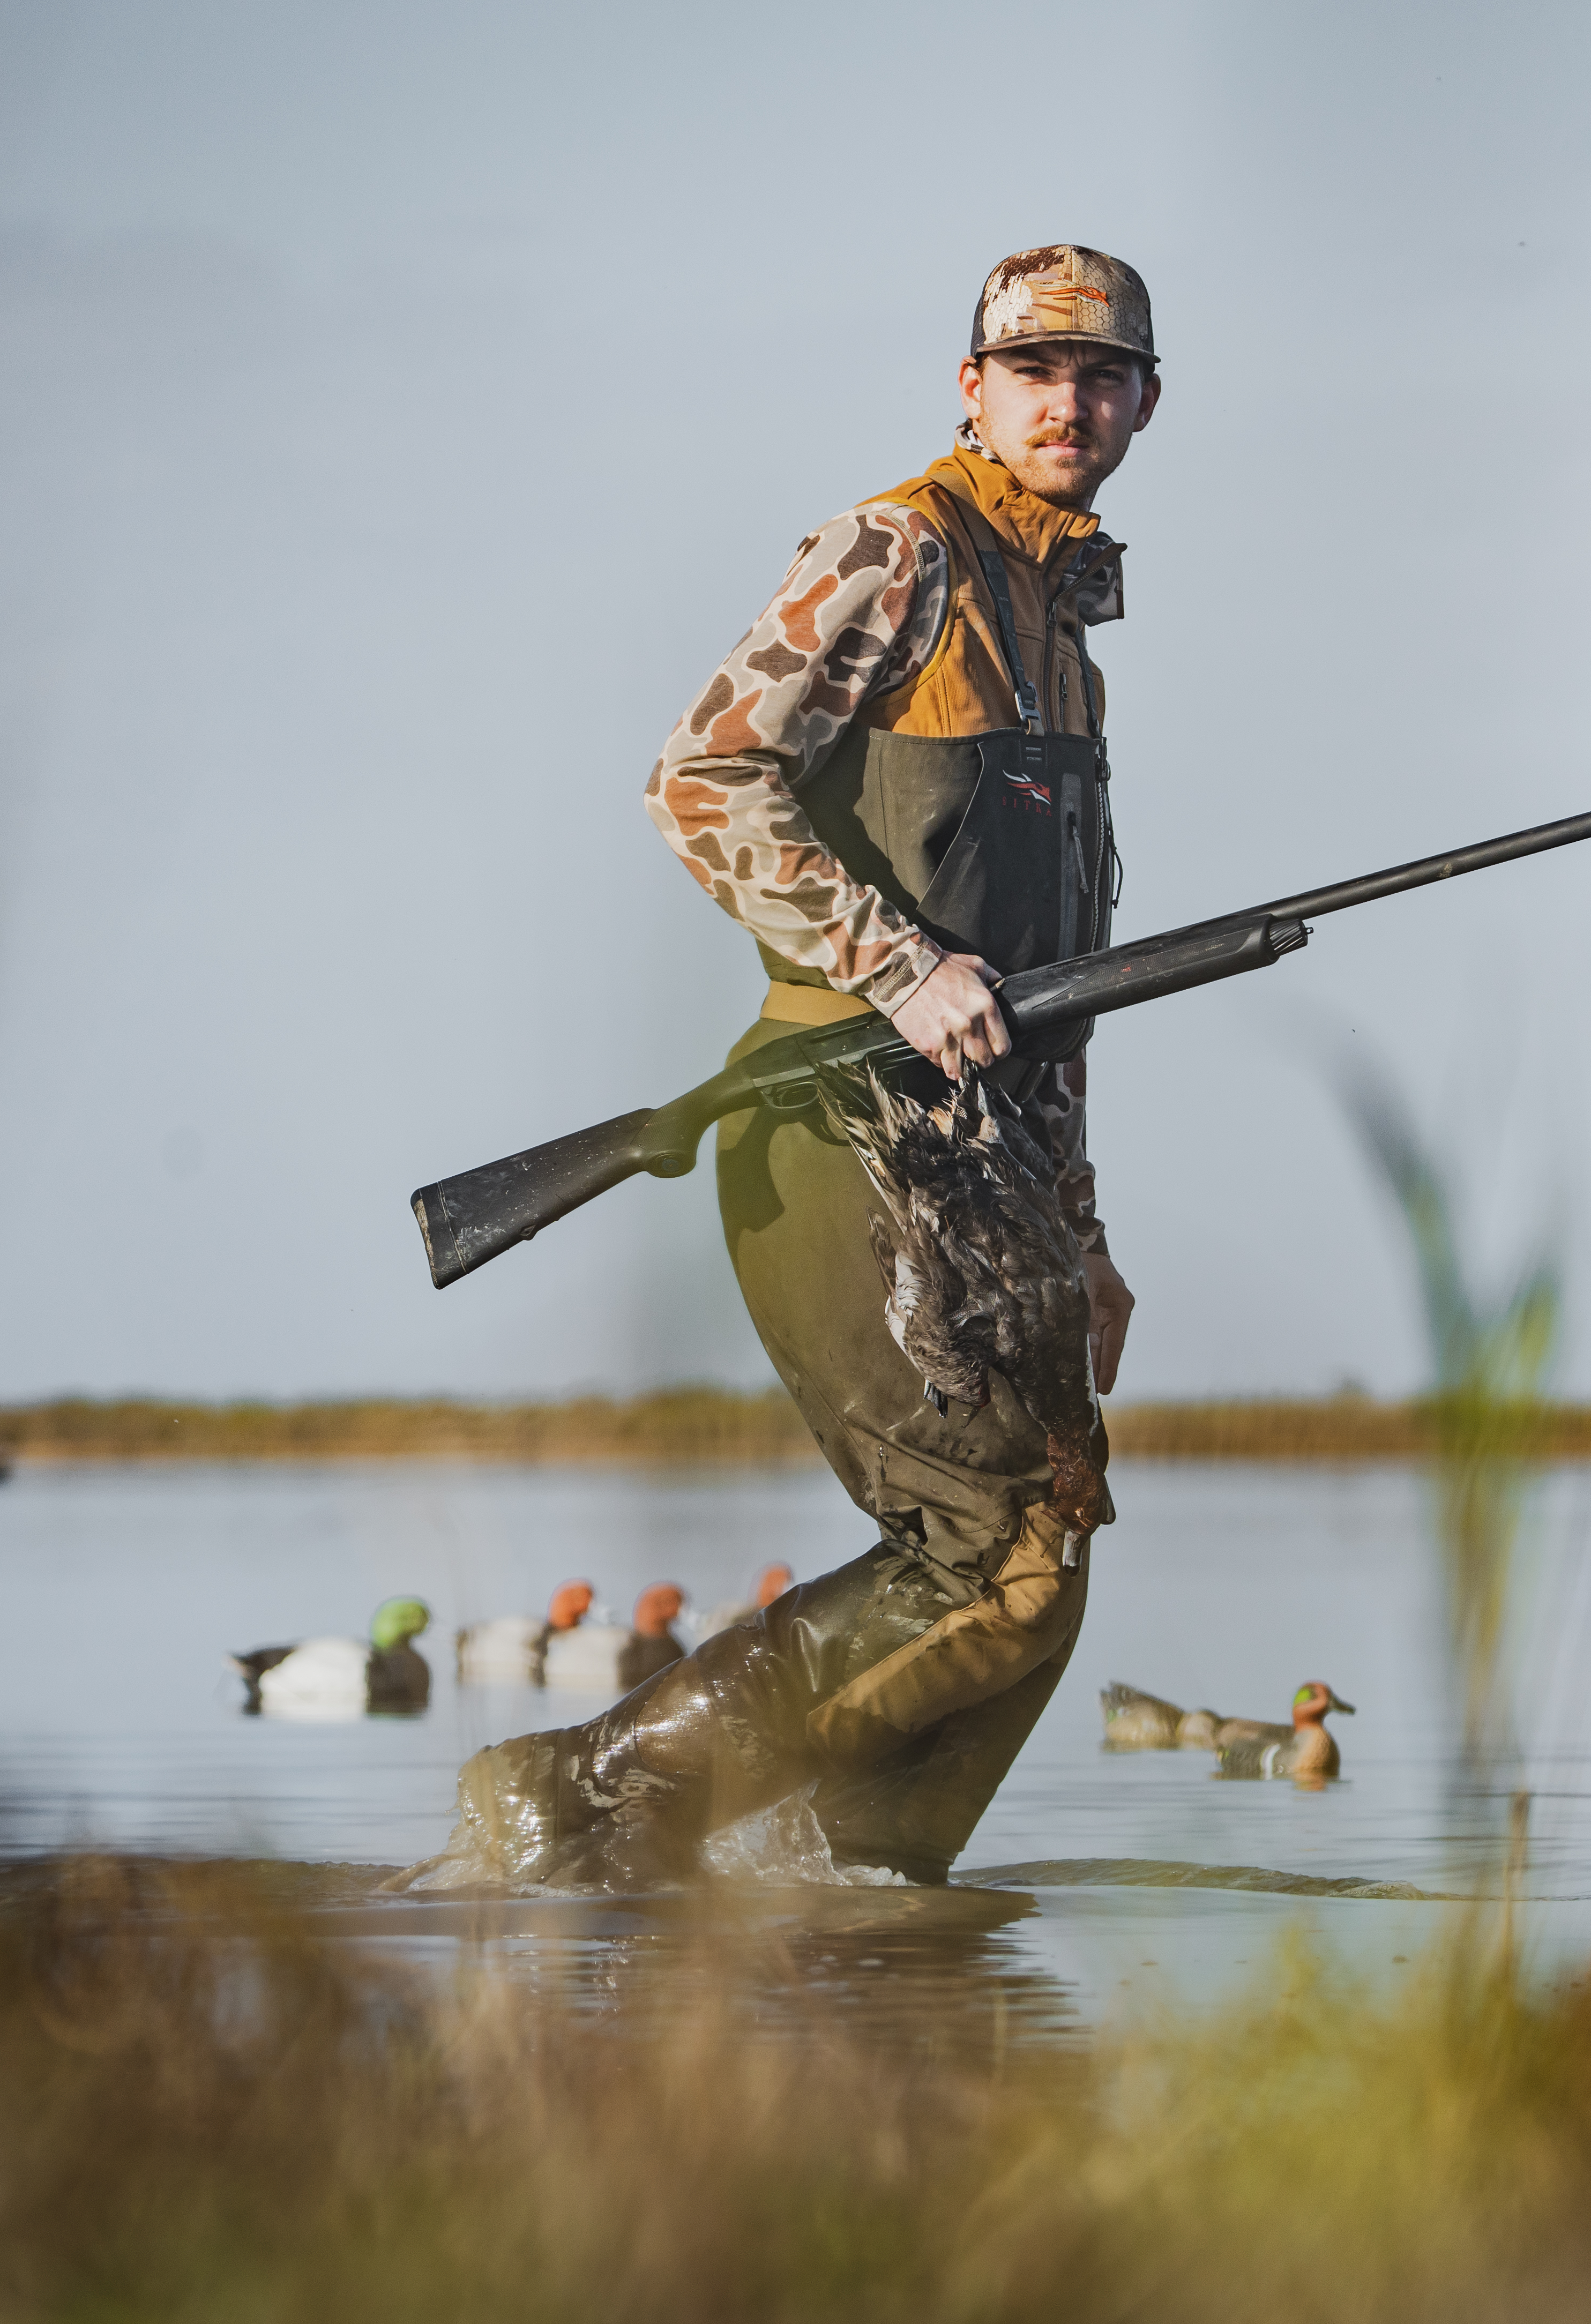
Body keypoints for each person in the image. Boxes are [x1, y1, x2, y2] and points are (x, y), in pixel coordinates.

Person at [417, 246, 1160, 1890]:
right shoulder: (898, 549)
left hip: (990, 1165)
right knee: (992, 1560)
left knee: (1049, 1556)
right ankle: (570, 1799)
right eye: (1032, 369)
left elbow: (1048, 999)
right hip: (839, 1129)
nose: (1068, 399)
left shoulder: (1065, 628)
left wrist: (1083, 1227)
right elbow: (700, 781)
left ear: (1144, 406)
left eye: (1100, 375)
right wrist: (896, 965)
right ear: (970, 388)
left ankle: (849, 1908)